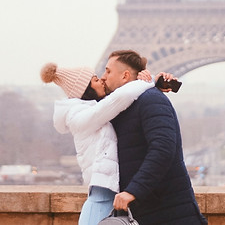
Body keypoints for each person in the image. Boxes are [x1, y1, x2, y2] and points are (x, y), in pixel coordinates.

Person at [101, 50, 208, 225]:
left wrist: (133, 191)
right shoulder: (122, 106)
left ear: (125, 75)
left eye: (108, 71)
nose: (103, 77)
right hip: (150, 209)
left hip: (166, 210)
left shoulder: (150, 99)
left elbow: (163, 149)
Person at [40, 62, 155, 225]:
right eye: (95, 80)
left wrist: (145, 80)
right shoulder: (80, 117)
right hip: (101, 198)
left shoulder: (92, 110)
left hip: (108, 196)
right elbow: (119, 99)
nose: (101, 80)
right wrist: (150, 83)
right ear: (84, 89)